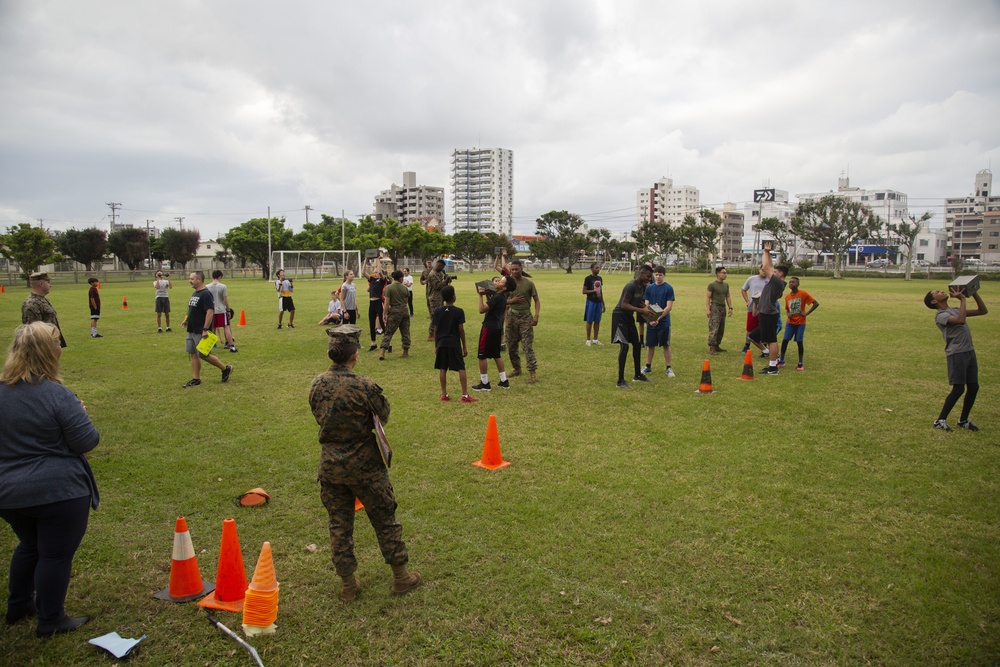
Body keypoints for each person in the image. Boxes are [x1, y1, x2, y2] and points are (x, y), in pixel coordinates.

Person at [0, 322, 99, 636]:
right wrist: (79, 413)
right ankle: (51, 619)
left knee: (29, 545)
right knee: (54, 554)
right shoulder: (57, 394)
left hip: (9, 493)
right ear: (48, 352)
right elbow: (87, 441)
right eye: (58, 343)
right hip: (58, 491)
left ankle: (18, 605)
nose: (61, 348)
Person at [309, 324, 421, 602]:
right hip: (366, 466)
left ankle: (348, 584)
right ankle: (401, 577)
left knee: (339, 525)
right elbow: (383, 416)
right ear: (355, 354)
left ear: (330, 353)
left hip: (331, 466)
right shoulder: (365, 386)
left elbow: (318, 415)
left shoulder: (317, 384)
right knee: (384, 518)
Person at [925, 285, 988, 431]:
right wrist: (963, 300)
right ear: (934, 302)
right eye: (938, 293)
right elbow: (961, 321)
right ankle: (940, 421)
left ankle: (963, 420)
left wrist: (974, 293)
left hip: (969, 351)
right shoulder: (941, 315)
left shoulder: (954, 310)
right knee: (958, 388)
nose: (941, 291)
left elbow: (982, 311)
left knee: (973, 387)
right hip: (956, 353)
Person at [180, 271, 233, 388]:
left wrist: (205, 329)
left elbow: (210, 312)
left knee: (203, 354)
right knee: (193, 354)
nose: (190, 280)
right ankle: (196, 379)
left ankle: (225, 368)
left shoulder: (206, 294)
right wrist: (186, 319)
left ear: (199, 280)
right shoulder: (195, 293)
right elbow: (192, 309)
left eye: (192, 278)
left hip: (200, 329)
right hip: (192, 329)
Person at [612, 265, 656, 389]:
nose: (649, 278)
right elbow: (624, 304)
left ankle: (637, 375)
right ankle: (620, 381)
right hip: (619, 316)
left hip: (629, 317)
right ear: (641, 273)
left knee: (636, 344)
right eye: (648, 276)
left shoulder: (641, 287)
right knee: (624, 346)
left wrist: (648, 309)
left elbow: (638, 301)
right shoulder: (630, 285)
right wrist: (642, 311)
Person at [431, 285, 475, 402]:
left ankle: (444, 394)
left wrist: (436, 345)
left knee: (442, 368)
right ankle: (465, 395)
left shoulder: (438, 311)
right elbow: (461, 330)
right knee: (461, 367)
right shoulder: (459, 311)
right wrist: (464, 346)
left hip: (441, 343)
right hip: (454, 343)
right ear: (454, 297)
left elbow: (436, 330)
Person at [472, 275, 515, 391]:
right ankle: (504, 380)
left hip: (489, 327)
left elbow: (482, 309)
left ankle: (484, 383)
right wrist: (487, 294)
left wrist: (480, 295)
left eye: (501, 281)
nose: (498, 282)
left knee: (482, 355)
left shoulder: (497, 297)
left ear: (504, 287)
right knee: (496, 355)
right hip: (497, 328)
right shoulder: (501, 297)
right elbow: (492, 304)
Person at [505, 260, 541, 383]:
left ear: (521, 269)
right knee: (511, 344)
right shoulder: (508, 284)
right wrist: (511, 301)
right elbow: (501, 300)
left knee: (527, 346)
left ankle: (532, 373)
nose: (514, 272)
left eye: (516, 269)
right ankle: (517, 368)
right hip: (511, 316)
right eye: (512, 269)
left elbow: (536, 300)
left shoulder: (529, 284)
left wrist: (536, 316)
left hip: (526, 317)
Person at [756, 243, 788, 375]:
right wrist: (767, 253)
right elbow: (768, 267)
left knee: (771, 340)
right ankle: (772, 365)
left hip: (769, 313)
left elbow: (766, 267)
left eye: (775, 272)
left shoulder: (777, 282)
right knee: (770, 340)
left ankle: (773, 367)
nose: (772, 273)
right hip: (767, 312)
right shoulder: (777, 282)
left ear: (780, 274)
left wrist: (766, 252)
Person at [642, 266, 676, 377]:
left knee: (665, 344)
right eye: (656, 274)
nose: (658, 277)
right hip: (651, 321)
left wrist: (658, 318)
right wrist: (650, 318)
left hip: (663, 321)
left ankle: (668, 367)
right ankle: (648, 366)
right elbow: (646, 304)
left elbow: (669, 307)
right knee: (650, 344)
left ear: (664, 275)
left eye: (660, 274)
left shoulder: (668, 288)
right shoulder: (650, 288)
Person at [779, 277, 819, 371]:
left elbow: (815, 303)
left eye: (793, 282)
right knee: (785, 340)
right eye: (790, 282)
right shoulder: (787, 296)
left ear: (798, 284)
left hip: (801, 322)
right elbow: (787, 310)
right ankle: (781, 360)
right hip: (790, 323)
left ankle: (800, 363)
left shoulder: (803, 294)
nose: (791, 284)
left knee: (799, 341)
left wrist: (806, 313)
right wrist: (788, 314)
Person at [21, 272, 66, 348]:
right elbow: (33, 331)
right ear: (41, 284)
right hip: (43, 347)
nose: (50, 285)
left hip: (50, 343)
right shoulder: (32, 304)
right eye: (48, 282)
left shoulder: (41, 300)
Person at [379, 270, 411, 361]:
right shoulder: (405, 288)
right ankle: (405, 352)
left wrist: (384, 313)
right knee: (405, 331)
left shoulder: (388, 288)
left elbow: (386, 302)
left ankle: (382, 352)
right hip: (404, 310)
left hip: (394, 310)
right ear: (401, 278)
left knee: (389, 331)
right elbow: (406, 301)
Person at [206, 270, 237, 353]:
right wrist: (228, 310)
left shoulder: (207, 287)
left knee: (212, 328)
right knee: (226, 327)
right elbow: (225, 300)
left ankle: (211, 345)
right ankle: (231, 346)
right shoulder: (223, 286)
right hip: (221, 310)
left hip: (211, 310)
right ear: (220, 277)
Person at [740, 267, 768, 356]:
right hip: (753, 307)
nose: (764, 272)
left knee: (763, 328)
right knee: (750, 328)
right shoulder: (752, 279)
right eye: (763, 270)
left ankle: (764, 347)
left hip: (765, 308)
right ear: (759, 270)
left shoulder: (769, 280)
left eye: (766, 270)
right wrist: (747, 301)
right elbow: (743, 290)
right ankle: (747, 345)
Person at [705, 267, 733, 355]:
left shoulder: (726, 285)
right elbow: (708, 297)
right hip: (715, 307)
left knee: (721, 328)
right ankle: (712, 347)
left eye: (725, 273)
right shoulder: (712, 285)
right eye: (723, 273)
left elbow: (727, 296)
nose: (725, 274)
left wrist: (730, 307)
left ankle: (717, 345)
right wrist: (708, 309)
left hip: (722, 307)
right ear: (718, 274)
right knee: (714, 328)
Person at [362, 259, 389, 351]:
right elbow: (363, 272)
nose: (376, 273)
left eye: (377, 272)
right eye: (375, 272)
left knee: (382, 323)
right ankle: (373, 344)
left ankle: (388, 343)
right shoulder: (372, 279)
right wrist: (366, 259)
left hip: (378, 302)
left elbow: (381, 272)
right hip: (371, 303)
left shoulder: (382, 280)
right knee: (371, 323)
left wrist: (378, 260)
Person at [425, 259, 453, 341]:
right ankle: (431, 334)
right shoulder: (432, 275)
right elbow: (437, 286)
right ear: (438, 266)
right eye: (442, 267)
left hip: (440, 297)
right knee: (435, 316)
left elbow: (442, 284)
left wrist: (447, 281)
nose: (442, 269)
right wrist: (445, 281)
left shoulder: (439, 273)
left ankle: (437, 332)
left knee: (441, 315)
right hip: (433, 298)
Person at [582, 263, 605, 346]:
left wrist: (603, 303)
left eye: (599, 268)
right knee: (589, 321)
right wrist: (594, 291)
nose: (598, 269)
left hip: (598, 302)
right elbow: (584, 291)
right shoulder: (588, 279)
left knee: (597, 321)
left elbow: (601, 291)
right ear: (592, 268)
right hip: (591, 301)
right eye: (596, 268)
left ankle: (595, 339)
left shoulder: (600, 278)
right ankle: (588, 340)